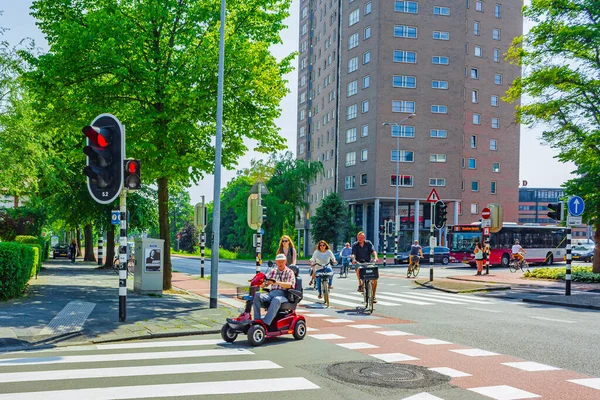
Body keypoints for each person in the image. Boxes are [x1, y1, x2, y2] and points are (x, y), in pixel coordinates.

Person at [253, 254, 296, 326]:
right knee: (256, 295)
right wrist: (264, 283)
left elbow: (290, 284)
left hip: (284, 295)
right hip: (271, 293)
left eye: (282, 261)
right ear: (276, 262)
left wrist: (277, 282)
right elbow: (265, 280)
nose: (280, 263)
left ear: (285, 261)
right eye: (278, 262)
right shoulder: (273, 271)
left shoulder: (289, 272)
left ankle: (266, 323)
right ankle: (257, 320)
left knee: (277, 299)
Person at [351, 231, 379, 300]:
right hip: (359, 262)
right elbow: (353, 254)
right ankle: (360, 284)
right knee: (358, 269)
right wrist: (354, 259)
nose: (359, 239)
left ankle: (374, 296)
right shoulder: (355, 245)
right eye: (358, 237)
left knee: (375, 278)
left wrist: (375, 257)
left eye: (361, 237)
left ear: (364, 238)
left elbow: (373, 251)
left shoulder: (368, 243)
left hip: (368, 262)